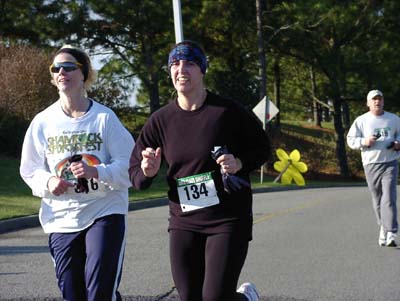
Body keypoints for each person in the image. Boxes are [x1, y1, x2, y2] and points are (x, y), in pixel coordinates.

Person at [129, 40, 271, 301]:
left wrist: (239, 163)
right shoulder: (160, 120)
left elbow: (262, 148)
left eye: (190, 63)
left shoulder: (227, 112)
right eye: (175, 64)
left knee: (214, 298)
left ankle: (245, 297)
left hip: (227, 219)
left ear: (203, 70)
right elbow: (136, 173)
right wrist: (148, 171)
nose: (181, 69)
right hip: (185, 220)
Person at [20, 45, 135, 301]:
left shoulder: (104, 118)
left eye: (69, 67)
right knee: (73, 295)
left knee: (99, 294)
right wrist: (49, 181)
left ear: (83, 74)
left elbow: (130, 166)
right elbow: (29, 170)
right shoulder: (43, 121)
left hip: (104, 210)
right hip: (61, 217)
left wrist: (96, 171)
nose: (62, 72)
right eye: (56, 68)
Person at [347, 89, 400, 247]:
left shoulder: (394, 119)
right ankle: (383, 227)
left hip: (390, 162)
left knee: (389, 197)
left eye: (380, 99)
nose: (377, 102)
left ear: (383, 101)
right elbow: (350, 140)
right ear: (368, 103)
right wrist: (365, 141)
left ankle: (391, 232)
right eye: (374, 100)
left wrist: (398, 143)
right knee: (377, 199)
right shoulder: (361, 120)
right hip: (371, 163)